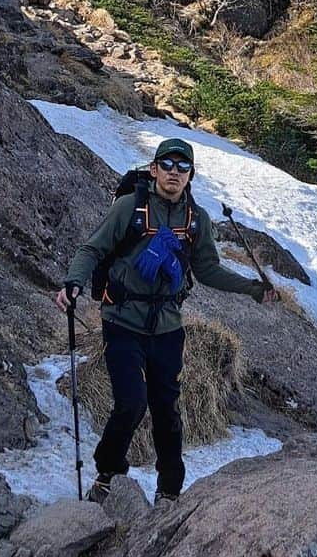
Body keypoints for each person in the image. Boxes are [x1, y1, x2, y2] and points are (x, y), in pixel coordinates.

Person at [55, 137, 276, 503]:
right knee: (131, 402)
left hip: (168, 327)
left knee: (166, 409)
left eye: (183, 167)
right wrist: (73, 283)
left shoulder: (196, 220)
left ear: (191, 175)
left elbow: (208, 270)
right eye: (167, 165)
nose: (174, 173)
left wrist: (252, 289)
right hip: (122, 320)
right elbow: (92, 249)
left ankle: (169, 491)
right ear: (154, 169)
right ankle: (108, 474)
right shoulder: (130, 207)